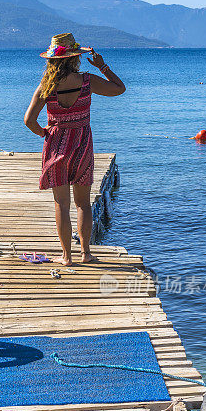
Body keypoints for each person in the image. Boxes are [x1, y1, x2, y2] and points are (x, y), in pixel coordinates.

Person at [24, 33, 126, 265]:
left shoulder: (46, 86)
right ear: (74, 58)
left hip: (56, 144)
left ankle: (67, 257)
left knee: (61, 204)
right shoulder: (87, 81)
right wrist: (103, 66)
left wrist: (45, 133)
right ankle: (86, 253)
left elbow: (29, 120)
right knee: (83, 203)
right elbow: (119, 89)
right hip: (81, 143)